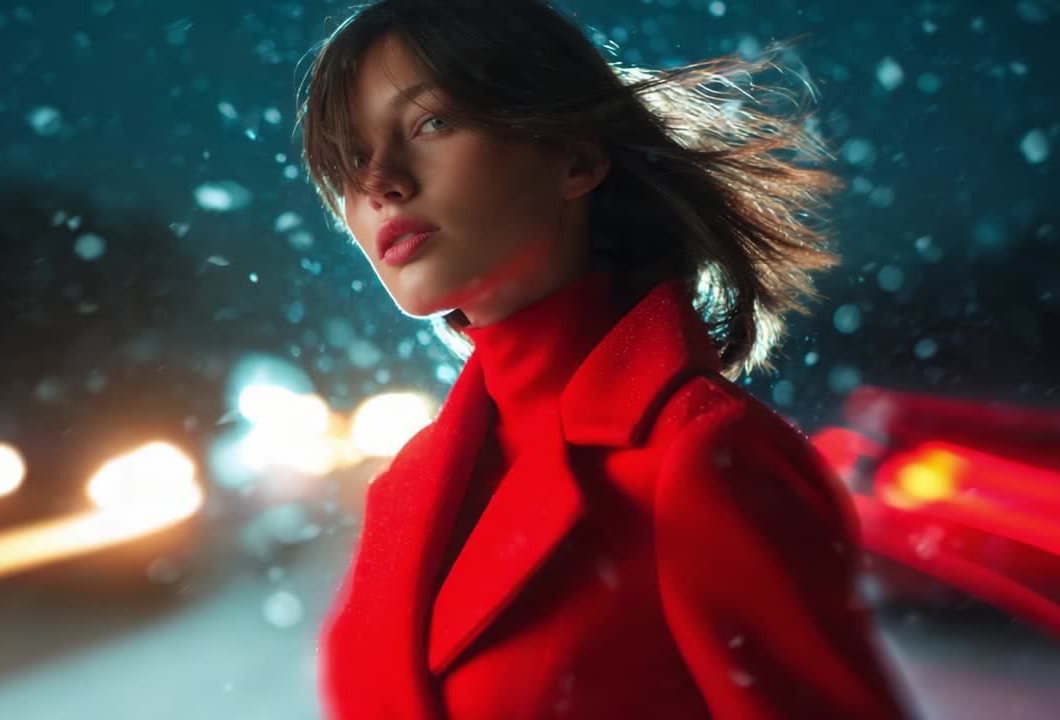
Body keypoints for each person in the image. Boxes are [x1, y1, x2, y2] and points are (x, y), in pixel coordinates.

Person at [294, 1, 916, 717]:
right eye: (349, 161)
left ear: (576, 157)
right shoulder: (410, 483)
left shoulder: (702, 458)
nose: (379, 184)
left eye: (431, 122)